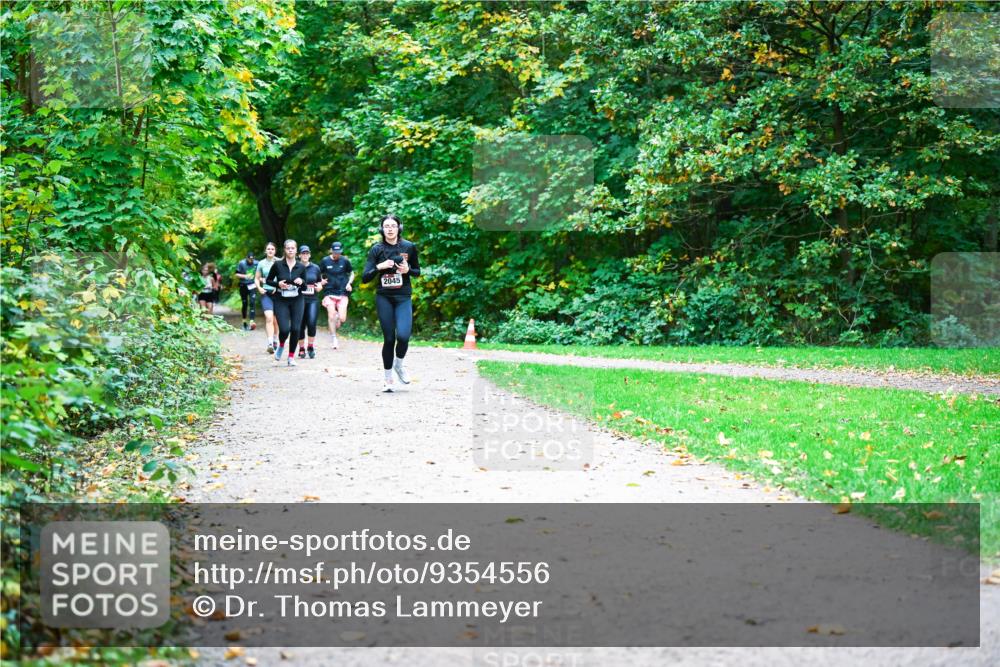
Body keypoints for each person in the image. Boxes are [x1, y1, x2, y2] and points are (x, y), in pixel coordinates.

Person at [361, 214, 420, 392]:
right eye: (386, 226)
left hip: (403, 296)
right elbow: (365, 277)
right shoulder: (376, 249)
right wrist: (380, 266)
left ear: (399, 228)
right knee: (389, 338)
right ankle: (388, 379)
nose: (390, 229)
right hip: (384, 297)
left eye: (393, 225)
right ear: (382, 229)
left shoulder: (409, 247)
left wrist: (407, 270)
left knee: (403, 336)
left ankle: (399, 365)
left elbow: (417, 271)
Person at [265, 239, 307, 367]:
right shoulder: (278, 265)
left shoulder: (301, 266)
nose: (290, 250)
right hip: (281, 300)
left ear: (296, 250)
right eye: (288, 248)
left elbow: (305, 287)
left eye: (293, 248)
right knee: (284, 329)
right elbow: (268, 280)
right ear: (284, 250)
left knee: (295, 329)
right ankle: (281, 345)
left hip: (297, 300)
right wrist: (278, 284)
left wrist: (302, 282)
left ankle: (290, 357)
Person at [318, 241, 354, 349]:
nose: (337, 254)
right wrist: (321, 280)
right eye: (335, 252)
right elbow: (318, 272)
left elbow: (352, 273)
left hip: (343, 292)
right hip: (329, 292)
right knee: (331, 315)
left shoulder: (345, 260)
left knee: (342, 318)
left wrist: (349, 283)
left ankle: (338, 317)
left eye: (339, 252)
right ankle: (334, 339)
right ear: (331, 250)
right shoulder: (325, 261)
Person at [296, 245, 324, 359]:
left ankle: (310, 346)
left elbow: (319, 282)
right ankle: (301, 348)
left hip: (312, 300)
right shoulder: (295, 267)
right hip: (298, 300)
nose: (305, 255)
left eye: (307, 253)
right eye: (303, 253)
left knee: (311, 323)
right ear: (299, 255)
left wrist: (320, 287)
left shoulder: (315, 268)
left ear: (310, 255)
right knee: (300, 326)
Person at [254, 242, 279, 354]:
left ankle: (275, 340)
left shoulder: (279, 262)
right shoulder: (261, 263)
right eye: (268, 249)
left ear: (275, 251)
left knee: (275, 320)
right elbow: (256, 278)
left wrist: (278, 287)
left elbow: (284, 276)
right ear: (265, 251)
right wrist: (259, 287)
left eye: (272, 249)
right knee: (269, 318)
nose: (270, 251)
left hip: (278, 293)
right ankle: (269, 343)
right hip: (266, 293)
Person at [235, 251, 258, 331]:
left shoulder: (257, 263)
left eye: (252, 259)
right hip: (243, 285)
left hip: (252, 285)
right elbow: (236, 274)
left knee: (252, 302)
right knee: (245, 303)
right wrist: (245, 276)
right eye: (249, 259)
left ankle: (252, 322)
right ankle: (244, 322)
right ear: (246, 258)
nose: (251, 261)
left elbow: (259, 273)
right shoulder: (241, 263)